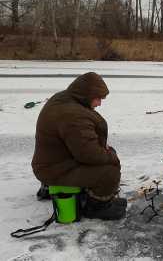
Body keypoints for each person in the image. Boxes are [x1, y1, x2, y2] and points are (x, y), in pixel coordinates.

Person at [31, 72, 126, 220]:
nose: (100, 103)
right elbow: (89, 155)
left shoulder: (64, 98)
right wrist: (112, 156)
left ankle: (49, 186)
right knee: (110, 171)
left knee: (105, 156)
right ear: (86, 95)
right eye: (98, 99)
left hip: (50, 164)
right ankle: (97, 207)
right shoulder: (74, 116)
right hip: (52, 169)